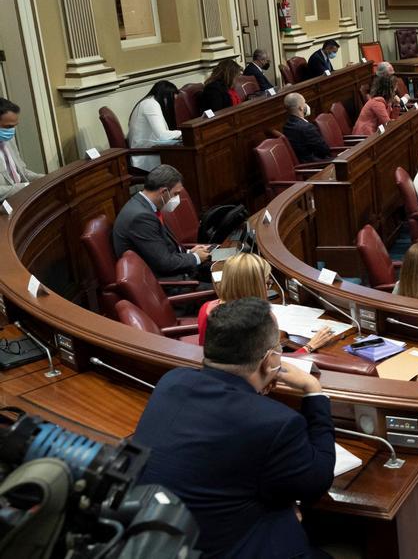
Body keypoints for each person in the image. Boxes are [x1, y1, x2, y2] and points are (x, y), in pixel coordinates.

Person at [133, 297, 336, 558]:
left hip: (157, 540)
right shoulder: (276, 423)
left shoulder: (171, 382)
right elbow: (316, 484)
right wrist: (313, 391)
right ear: (268, 360)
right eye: (278, 348)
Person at [196, 252, 338, 351]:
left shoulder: (207, 308)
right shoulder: (262, 320)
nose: (267, 286)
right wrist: (310, 346)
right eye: (266, 282)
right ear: (254, 286)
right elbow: (274, 367)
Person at [112, 165, 211, 279]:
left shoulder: (144, 206)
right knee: (228, 285)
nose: (177, 198)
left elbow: (161, 250)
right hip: (167, 283)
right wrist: (195, 258)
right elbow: (164, 263)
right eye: (176, 194)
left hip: (175, 271)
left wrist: (189, 253)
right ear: (164, 192)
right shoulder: (140, 218)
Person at [127, 81, 182, 171]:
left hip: (150, 151)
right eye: (172, 101)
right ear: (165, 97)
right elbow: (162, 135)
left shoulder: (149, 102)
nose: (171, 106)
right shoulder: (151, 104)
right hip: (145, 157)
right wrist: (183, 133)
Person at [0, 98, 42, 201]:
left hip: (21, 199)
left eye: (14, 126)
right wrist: (26, 187)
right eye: (8, 126)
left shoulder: (9, 139)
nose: (12, 131)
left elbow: (21, 171)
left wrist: (44, 179)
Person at [281, 92, 331, 163]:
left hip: (303, 162)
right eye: (304, 102)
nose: (306, 105)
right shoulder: (306, 128)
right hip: (316, 164)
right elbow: (324, 150)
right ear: (301, 108)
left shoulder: (286, 126)